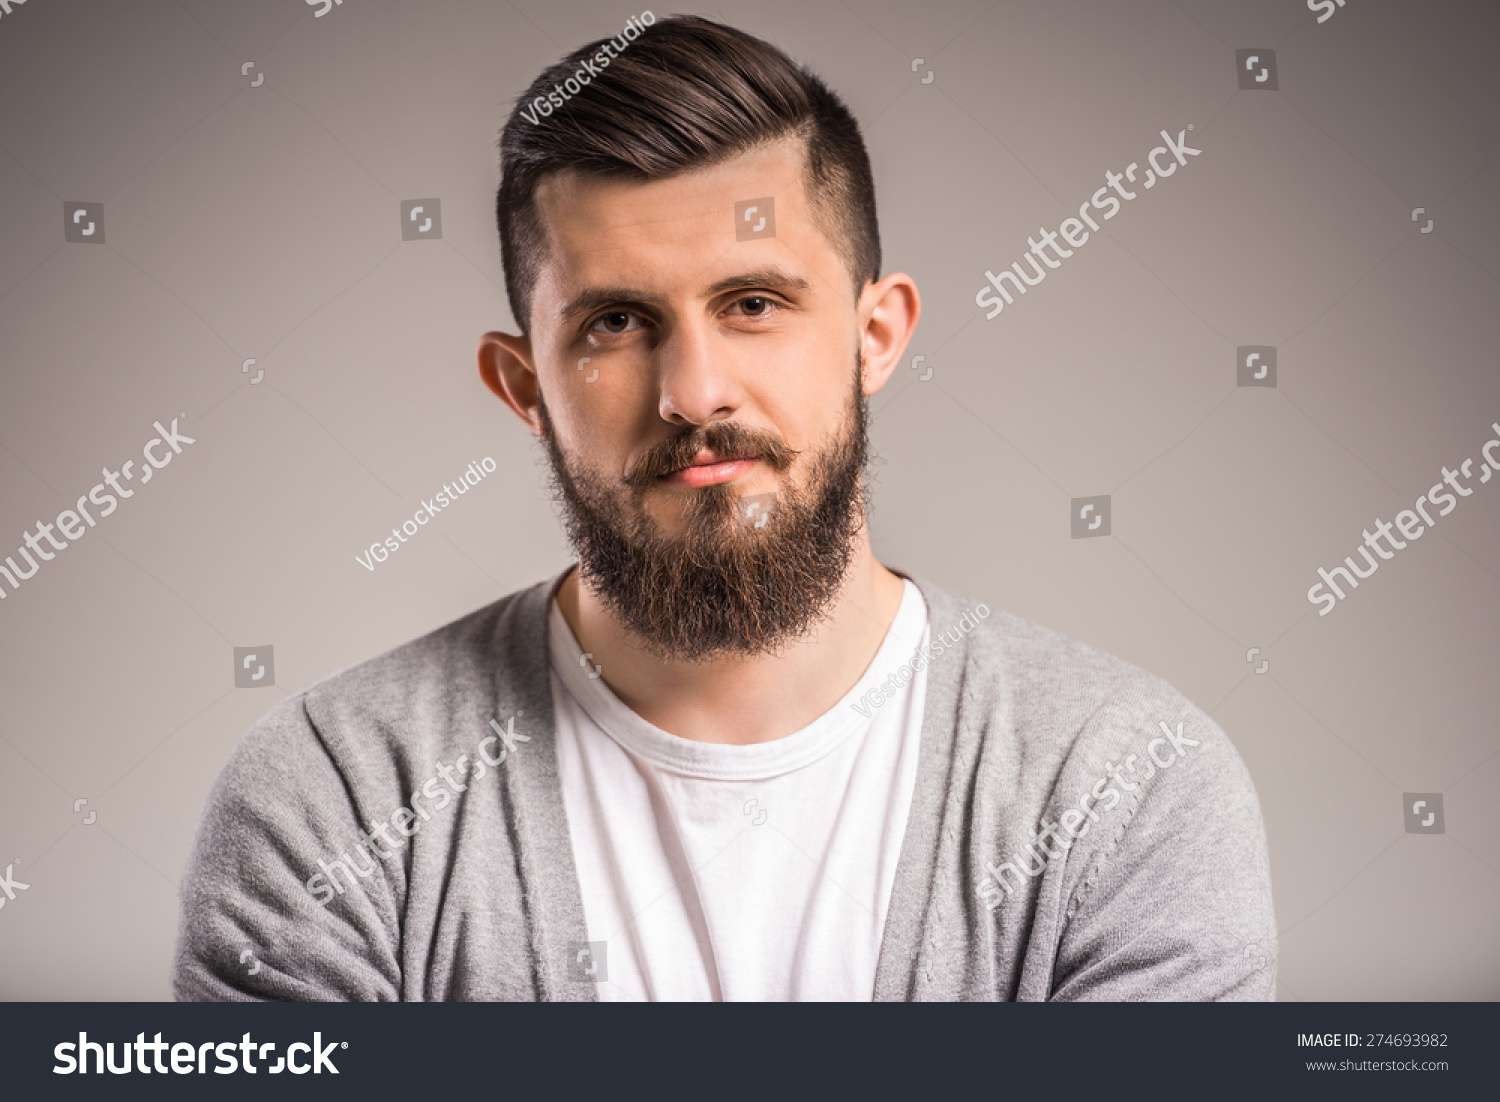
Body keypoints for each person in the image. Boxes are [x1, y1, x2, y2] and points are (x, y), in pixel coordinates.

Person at [174, 14, 1276, 1001]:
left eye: (753, 303)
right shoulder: (338, 799)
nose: (695, 393)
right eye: (614, 323)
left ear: (875, 335)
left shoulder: (1123, 785)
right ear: (524, 387)